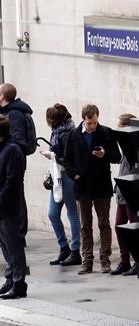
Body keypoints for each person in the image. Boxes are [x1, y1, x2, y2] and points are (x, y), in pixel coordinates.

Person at [65, 104, 123, 274]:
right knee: (85, 225)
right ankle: (87, 261)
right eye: (89, 123)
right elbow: (67, 160)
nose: (92, 126)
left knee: (104, 223)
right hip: (82, 186)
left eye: (95, 122)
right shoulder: (73, 135)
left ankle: (105, 260)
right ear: (84, 120)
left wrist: (105, 154)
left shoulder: (106, 132)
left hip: (101, 184)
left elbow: (118, 157)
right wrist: (74, 174)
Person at [0, 115, 28, 299]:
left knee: (14, 246)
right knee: (6, 246)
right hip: (0, 205)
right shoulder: (3, 148)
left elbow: (12, 182)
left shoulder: (12, 150)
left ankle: (19, 283)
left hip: (8, 206)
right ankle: (10, 280)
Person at [40, 104, 82, 266]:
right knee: (53, 213)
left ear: (54, 120)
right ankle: (64, 247)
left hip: (67, 175)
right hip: (59, 175)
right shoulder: (60, 131)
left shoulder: (66, 134)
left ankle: (75, 250)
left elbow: (68, 159)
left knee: (72, 213)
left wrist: (51, 156)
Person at [113, 113, 138, 275]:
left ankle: (137, 261)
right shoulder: (125, 145)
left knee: (132, 226)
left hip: (131, 192)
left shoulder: (134, 146)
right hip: (122, 191)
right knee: (119, 226)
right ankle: (124, 261)